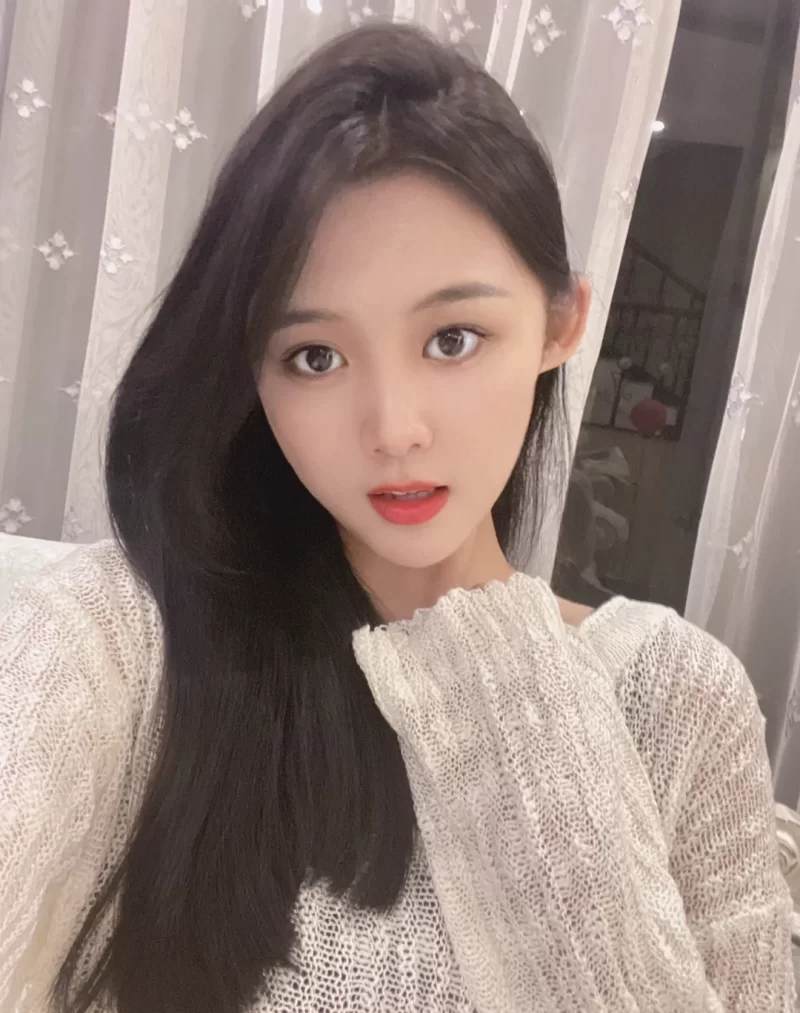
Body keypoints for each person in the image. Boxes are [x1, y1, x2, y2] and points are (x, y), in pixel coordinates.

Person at [0, 22, 793, 1013]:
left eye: (452, 338)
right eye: (315, 356)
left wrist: (503, 677)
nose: (393, 429)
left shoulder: (679, 700)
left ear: (560, 323)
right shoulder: (127, 639)